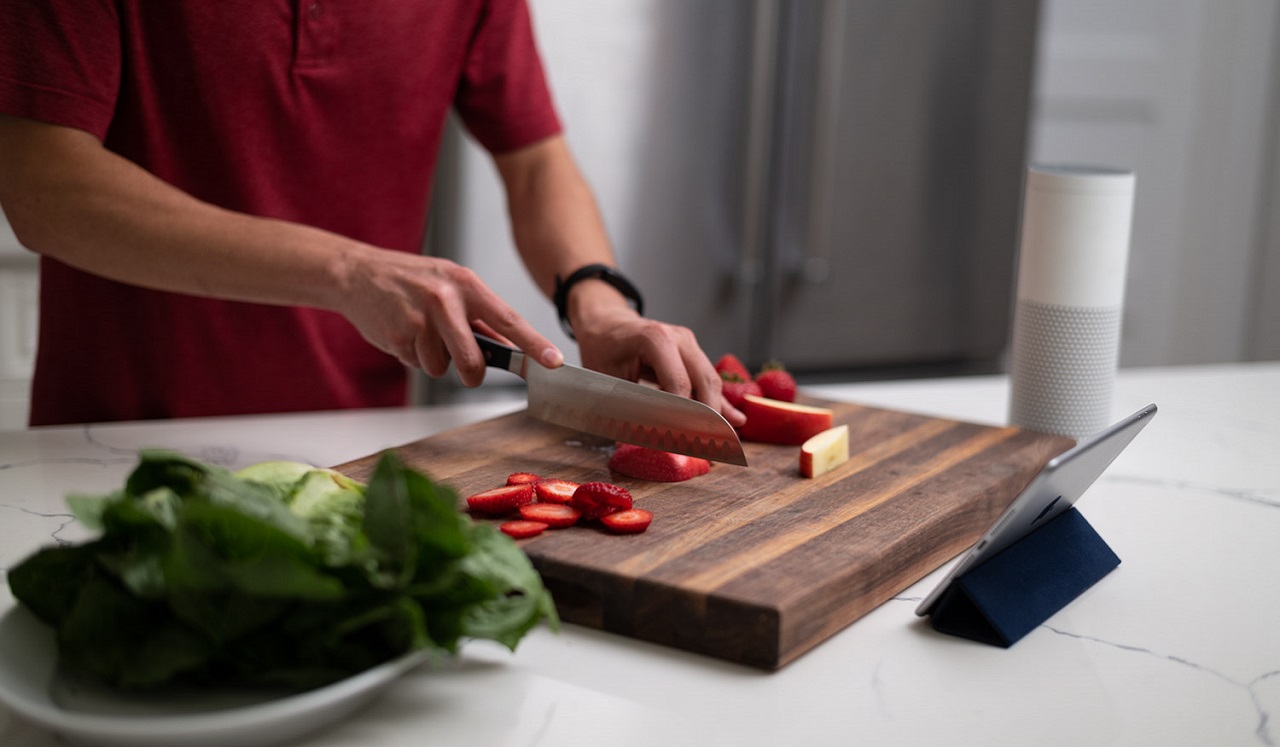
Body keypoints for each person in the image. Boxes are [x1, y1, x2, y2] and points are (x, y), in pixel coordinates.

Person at [0, 0, 743, 429]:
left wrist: (599, 306)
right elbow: (40, 185)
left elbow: (535, 161)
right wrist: (347, 268)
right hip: (108, 448)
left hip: (359, 453)